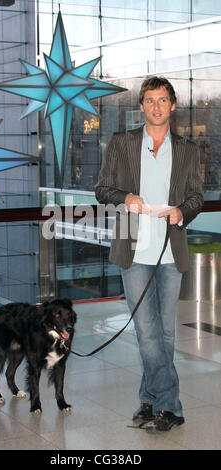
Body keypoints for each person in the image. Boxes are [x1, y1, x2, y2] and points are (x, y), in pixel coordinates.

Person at [95, 76, 203, 432]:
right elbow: (101, 188)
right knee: (147, 332)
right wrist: (124, 198)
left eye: (163, 100)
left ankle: (149, 399)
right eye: (150, 100)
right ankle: (170, 406)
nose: (156, 106)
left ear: (172, 106)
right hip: (133, 249)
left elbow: (196, 197)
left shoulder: (188, 149)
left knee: (165, 334)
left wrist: (181, 212)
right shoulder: (121, 143)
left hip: (171, 251)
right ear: (140, 106)